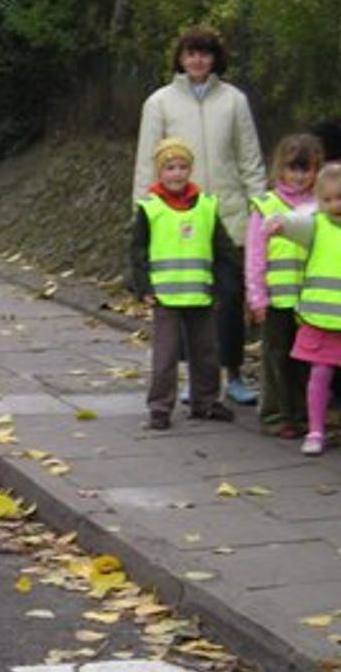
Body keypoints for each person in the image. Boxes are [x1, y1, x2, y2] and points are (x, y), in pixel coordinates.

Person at [133, 25, 267, 405]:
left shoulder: (235, 101)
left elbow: (250, 159)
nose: (197, 60)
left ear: (215, 58)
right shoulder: (158, 103)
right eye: (190, 53)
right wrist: (142, 216)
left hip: (228, 217)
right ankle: (195, 379)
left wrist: (260, 211)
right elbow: (147, 163)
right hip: (176, 223)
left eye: (205, 53)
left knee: (228, 297)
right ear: (180, 58)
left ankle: (235, 374)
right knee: (187, 301)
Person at [131, 138, 237, 429]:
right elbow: (137, 252)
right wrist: (143, 288)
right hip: (165, 296)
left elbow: (223, 249)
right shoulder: (150, 208)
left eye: (182, 167)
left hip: (201, 293)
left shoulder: (205, 206)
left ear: (190, 170)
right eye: (169, 167)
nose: (176, 174)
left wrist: (224, 285)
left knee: (206, 351)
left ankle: (205, 401)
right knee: (165, 356)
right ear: (159, 172)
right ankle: (160, 407)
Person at [245, 134, 323, 438]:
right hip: (276, 298)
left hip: (310, 299)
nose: (300, 176)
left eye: (307, 169)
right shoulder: (266, 205)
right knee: (275, 356)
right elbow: (255, 256)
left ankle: (304, 414)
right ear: (281, 168)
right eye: (294, 168)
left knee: (306, 360)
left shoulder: (322, 205)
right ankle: (275, 415)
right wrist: (257, 297)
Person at [263, 163, 341, 455]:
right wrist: (278, 224)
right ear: (318, 201)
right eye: (328, 199)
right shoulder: (316, 225)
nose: (335, 205)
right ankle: (316, 429)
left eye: (340, 197)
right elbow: (296, 224)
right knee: (318, 375)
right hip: (320, 319)